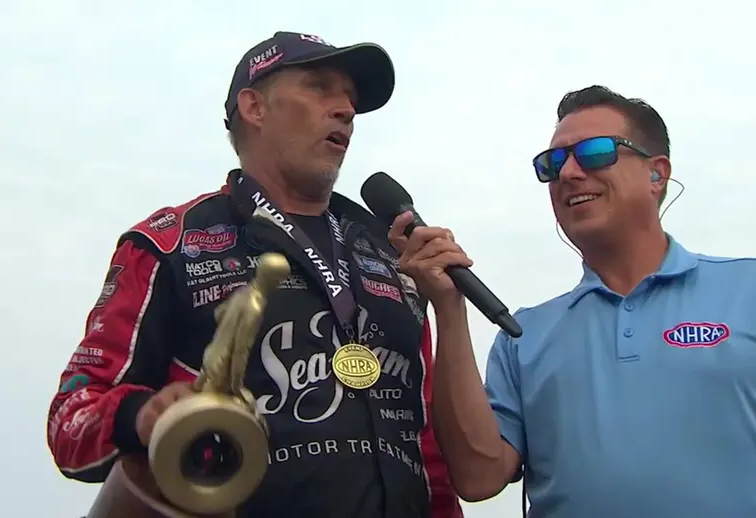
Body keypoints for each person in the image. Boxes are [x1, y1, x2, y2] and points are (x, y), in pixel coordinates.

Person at [46, 30, 464, 518]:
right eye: (319, 87)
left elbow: (429, 447)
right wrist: (145, 416)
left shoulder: (394, 256)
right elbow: (70, 419)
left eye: (350, 98)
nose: (346, 109)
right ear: (254, 107)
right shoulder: (167, 244)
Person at [389, 84, 756, 517]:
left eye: (595, 152)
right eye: (553, 163)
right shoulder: (523, 336)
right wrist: (449, 309)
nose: (569, 173)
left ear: (657, 174)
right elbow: (479, 477)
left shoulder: (745, 288)